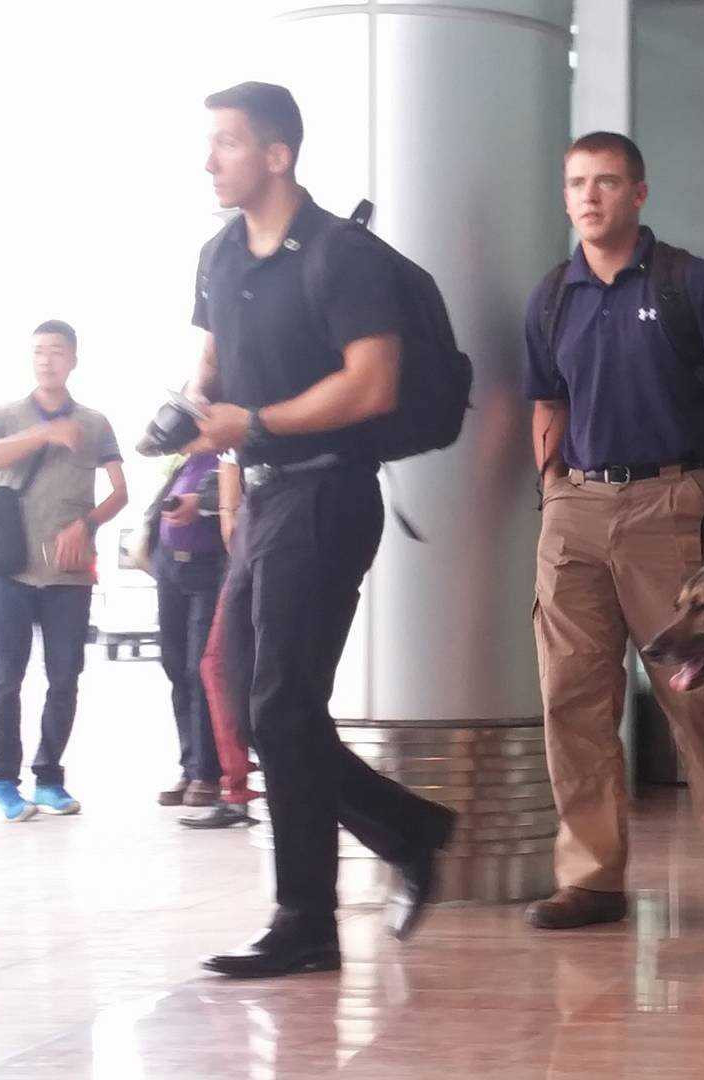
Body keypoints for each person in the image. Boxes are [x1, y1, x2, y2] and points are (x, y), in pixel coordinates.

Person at [182, 82, 454, 977]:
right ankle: (404, 833)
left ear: (278, 154)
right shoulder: (220, 257)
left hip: (329, 496)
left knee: (279, 707)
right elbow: (213, 373)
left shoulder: (341, 256)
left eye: (227, 143)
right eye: (210, 143)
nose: (210, 158)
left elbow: (371, 384)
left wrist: (253, 426)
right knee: (259, 701)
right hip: (262, 500)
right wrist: (212, 436)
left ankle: (307, 920)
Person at [524, 131, 704, 930]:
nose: (589, 196)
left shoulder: (685, 282)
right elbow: (547, 403)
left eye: (605, 182)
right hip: (576, 515)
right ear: (565, 197)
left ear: (639, 193)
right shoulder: (552, 296)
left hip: (671, 505)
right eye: (576, 184)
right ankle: (593, 876)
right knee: (571, 697)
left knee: (695, 700)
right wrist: (552, 488)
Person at [0, 320, 129, 821]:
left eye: (56, 352)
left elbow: (121, 491)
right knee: (7, 677)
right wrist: (42, 433)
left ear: (73, 359)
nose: (46, 360)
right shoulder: (4, 413)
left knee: (65, 677)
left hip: (69, 573)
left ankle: (49, 778)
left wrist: (86, 524)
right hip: (8, 569)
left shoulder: (96, 422)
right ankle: (2, 780)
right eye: (39, 352)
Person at [147, 452, 226, 809]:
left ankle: (208, 773)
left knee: (200, 670)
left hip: (209, 570)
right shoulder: (186, 462)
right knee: (176, 667)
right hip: (170, 569)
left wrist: (204, 503)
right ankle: (191, 765)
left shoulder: (229, 455)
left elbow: (242, 494)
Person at [185, 458, 258, 829]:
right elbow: (230, 457)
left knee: (227, 665)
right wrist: (229, 513)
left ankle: (247, 789)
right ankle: (241, 789)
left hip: (276, 527)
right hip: (251, 532)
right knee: (219, 665)